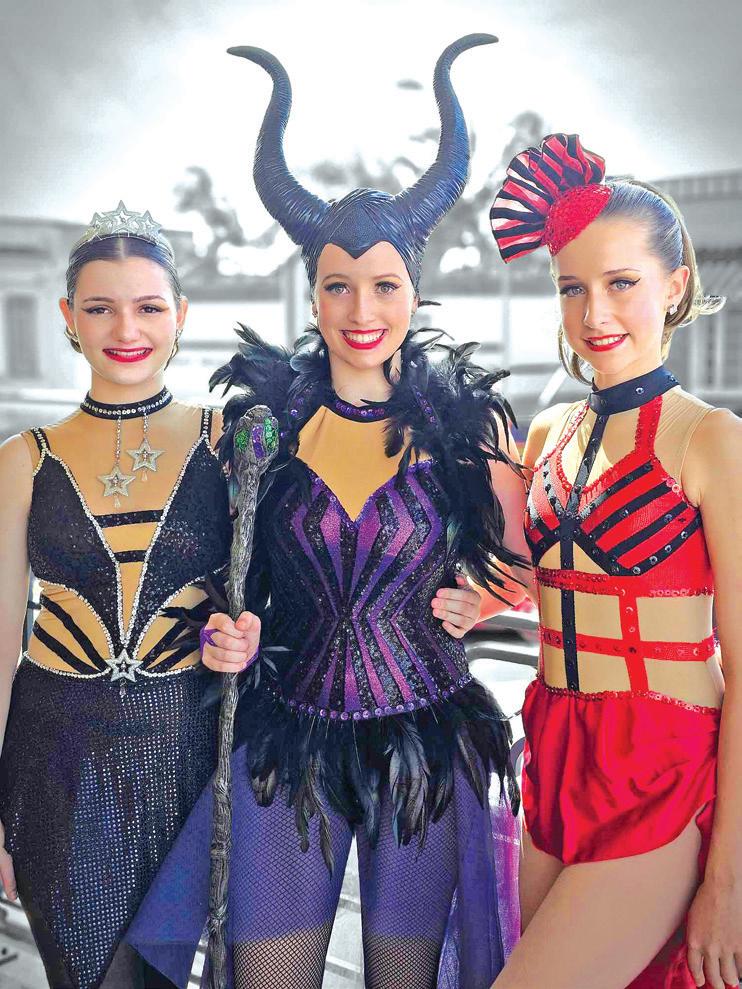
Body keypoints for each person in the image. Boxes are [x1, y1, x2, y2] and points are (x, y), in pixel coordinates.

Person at [127, 34, 531, 989]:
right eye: (338, 285)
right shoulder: (257, 431)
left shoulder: (469, 433)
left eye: (384, 284)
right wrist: (225, 633)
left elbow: (532, 576)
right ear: (311, 291)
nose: (361, 309)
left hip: (425, 747)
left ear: (415, 289)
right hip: (285, 740)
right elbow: (218, 582)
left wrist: (488, 603)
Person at [488, 133, 742, 989]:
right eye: (572, 287)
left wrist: (729, 878)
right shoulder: (545, 433)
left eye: (621, 283)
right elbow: (533, 587)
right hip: (553, 755)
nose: (594, 312)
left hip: (661, 768)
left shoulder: (712, 439)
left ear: (675, 286)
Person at [0, 204, 259, 989]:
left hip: (189, 755)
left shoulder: (230, 442)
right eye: (99, 307)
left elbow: (273, 594)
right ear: (67, 317)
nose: (126, 328)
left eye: (148, 306)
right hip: (57, 760)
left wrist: (245, 633)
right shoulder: (22, 459)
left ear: (181, 314)